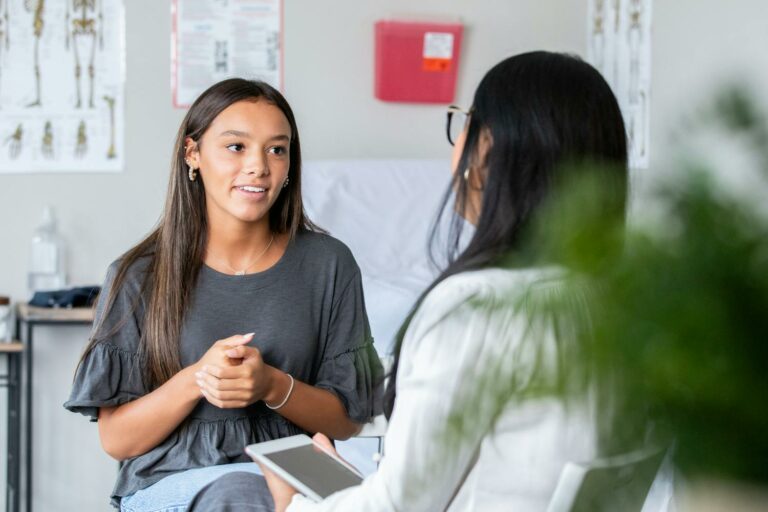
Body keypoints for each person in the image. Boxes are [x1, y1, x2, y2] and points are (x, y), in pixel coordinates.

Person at [187, 51, 630, 511]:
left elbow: (402, 504)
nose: (258, 167)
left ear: (486, 151)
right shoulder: (620, 306)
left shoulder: (472, 308)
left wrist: (296, 503)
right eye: (236, 147)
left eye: (465, 124)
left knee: (238, 495)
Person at [64, 79, 383, 511]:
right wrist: (199, 378)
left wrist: (271, 384)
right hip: (173, 480)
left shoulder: (329, 264)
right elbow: (117, 440)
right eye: (236, 147)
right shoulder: (138, 275)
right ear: (192, 154)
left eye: (277, 149)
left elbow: (347, 420)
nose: (259, 166)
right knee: (242, 494)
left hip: (294, 474)